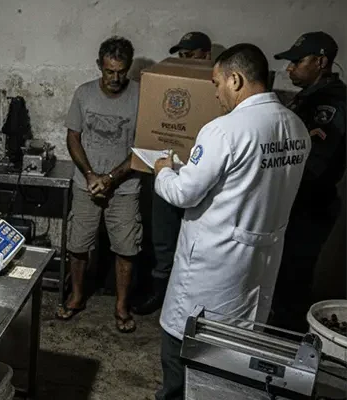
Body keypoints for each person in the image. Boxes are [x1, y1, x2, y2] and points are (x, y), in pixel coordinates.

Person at [152, 44, 310, 400]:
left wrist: (163, 171)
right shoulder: (296, 127)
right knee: (233, 363)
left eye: (216, 83)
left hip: (212, 271)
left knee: (182, 351)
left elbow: (183, 193)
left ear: (235, 79)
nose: (216, 93)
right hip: (258, 268)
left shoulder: (224, 130)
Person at [57, 36, 142, 334]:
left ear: (129, 67)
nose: (115, 78)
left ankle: (121, 306)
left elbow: (144, 147)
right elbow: (73, 137)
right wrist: (91, 175)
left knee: (126, 248)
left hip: (125, 187)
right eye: (109, 71)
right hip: (86, 185)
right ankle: (77, 296)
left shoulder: (141, 96)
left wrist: (111, 178)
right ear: (99, 66)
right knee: (78, 245)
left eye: (121, 71)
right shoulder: (84, 94)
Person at [270, 32, 347, 333]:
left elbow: (316, 165)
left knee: (293, 275)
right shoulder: (308, 97)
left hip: (309, 205)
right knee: (282, 274)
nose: (290, 68)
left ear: (321, 62)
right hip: (294, 201)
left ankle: (285, 339)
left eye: (297, 61)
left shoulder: (332, 104)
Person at [134, 31, 213, 316]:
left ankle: (188, 301)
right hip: (167, 174)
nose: (184, 60)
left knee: (195, 243)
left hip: (200, 179)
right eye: (181, 55)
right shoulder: (167, 80)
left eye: (190, 55)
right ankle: (160, 291)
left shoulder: (217, 88)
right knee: (163, 237)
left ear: (206, 55)